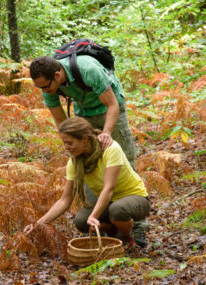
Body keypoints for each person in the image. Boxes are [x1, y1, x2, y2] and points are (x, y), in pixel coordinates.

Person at [30, 55, 148, 247]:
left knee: (123, 159)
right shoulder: (47, 86)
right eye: (40, 88)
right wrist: (70, 144)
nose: (44, 91)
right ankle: (102, 222)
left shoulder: (88, 69)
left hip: (110, 108)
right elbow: (63, 124)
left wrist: (107, 133)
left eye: (46, 86)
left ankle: (137, 226)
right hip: (84, 113)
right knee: (88, 162)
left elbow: (112, 104)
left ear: (57, 74)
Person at [24, 117, 150, 251]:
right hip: (110, 202)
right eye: (65, 143)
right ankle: (113, 228)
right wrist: (38, 224)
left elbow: (109, 188)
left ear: (84, 139)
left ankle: (126, 237)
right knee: (81, 222)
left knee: (117, 210)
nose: (67, 147)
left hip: (136, 197)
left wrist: (94, 216)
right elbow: (65, 199)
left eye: (70, 143)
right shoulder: (75, 162)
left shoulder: (110, 149)